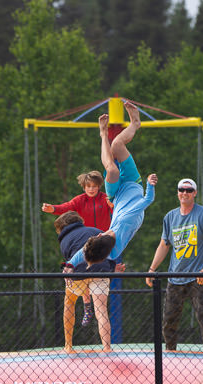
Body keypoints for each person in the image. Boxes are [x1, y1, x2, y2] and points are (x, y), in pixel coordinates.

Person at [66, 101, 157, 269]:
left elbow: (84, 252)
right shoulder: (125, 221)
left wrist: (70, 264)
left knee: (113, 166)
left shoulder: (108, 250)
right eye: (100, 234)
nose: (100, 231)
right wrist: (150, 184)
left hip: (117, 196)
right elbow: (147, 201)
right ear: (103, 236)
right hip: (132, 189)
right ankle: (117, 129)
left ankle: (120, 128)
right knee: (116, 148)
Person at [145, 178, 203, 352]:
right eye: (181, 190)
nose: (184, 193)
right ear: (177, 192)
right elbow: (164, 245)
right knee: (168, 321)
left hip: (199, 277)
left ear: (195, 193)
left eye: (189, 190)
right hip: (175, 276)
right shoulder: (170, 217)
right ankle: (170, 354)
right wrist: (152, 269)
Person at [42, 170, 113, 327]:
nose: (91, 189)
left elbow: (117, 214)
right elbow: (66, 207)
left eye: (94, 186)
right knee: (82, 271)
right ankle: (87, 306)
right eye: (88, 186)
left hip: (103, 240)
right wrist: (52, 208)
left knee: (104, 270)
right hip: (86, 242)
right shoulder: (80, 200)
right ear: (84, 187)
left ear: (99, 186)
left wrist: (112, 205)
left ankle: (98, 302)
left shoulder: (105, 198)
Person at [55, 211, 121, 353]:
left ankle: (68, 345)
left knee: (69, 301)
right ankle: (107, 348)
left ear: (62, 228)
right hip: (101, 270)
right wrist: (111, 268)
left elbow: (70, 262)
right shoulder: (95, 231)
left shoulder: (65, 240)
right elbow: (110, 251)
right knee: (101, 310)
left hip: (79, 274)